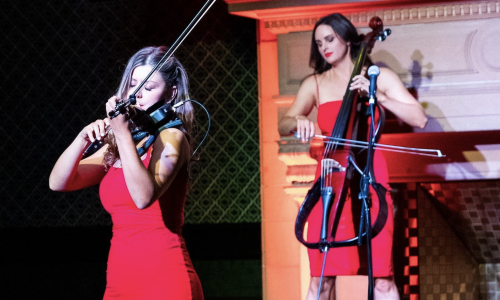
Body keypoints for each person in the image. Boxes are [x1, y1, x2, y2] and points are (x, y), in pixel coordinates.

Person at [278, 14, 428, 300]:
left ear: (348, 38)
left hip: (369, 181)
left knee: (382, 279)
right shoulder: (316, 83)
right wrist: (299, 121)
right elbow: (283, 124)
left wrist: (377, 96)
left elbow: (418, 118)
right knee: (321, 280)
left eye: (330, 39)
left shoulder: (378, 76)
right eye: (319, 42)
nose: (324, 47)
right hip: (330, 186)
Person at [49, 46, 204, 300]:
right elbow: (59, 182)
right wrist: (82, 139)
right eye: (133, 84)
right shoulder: (123, 145)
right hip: (121, 281)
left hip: (166, 280)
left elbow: (143, 197)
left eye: (149, 87)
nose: (138, 94)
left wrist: (121, 134)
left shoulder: (172, 137)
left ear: (171, 92)